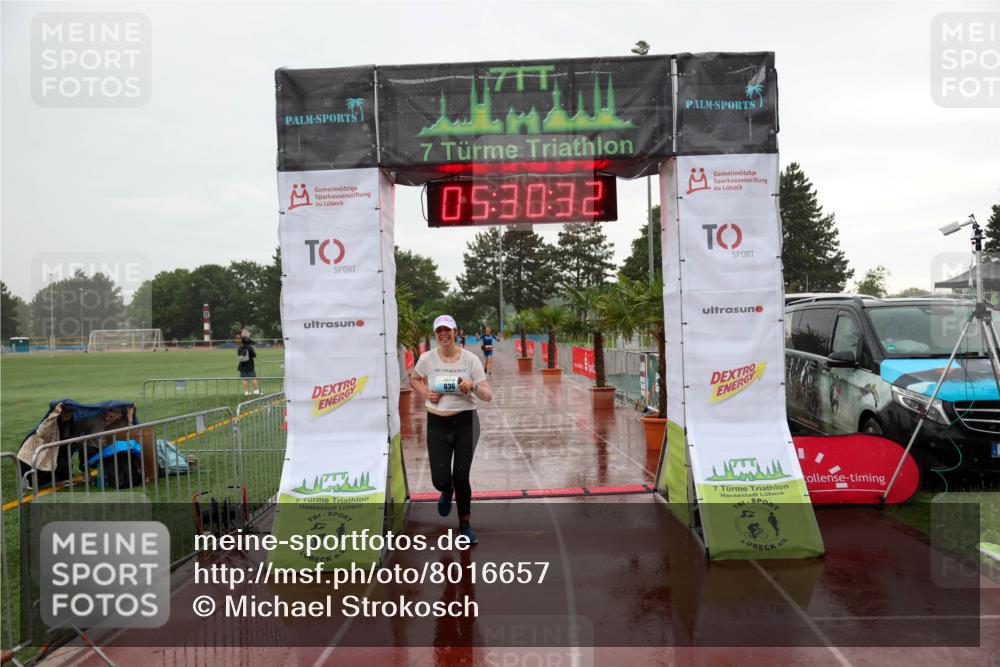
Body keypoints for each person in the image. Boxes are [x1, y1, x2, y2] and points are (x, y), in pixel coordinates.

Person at [410, 315, 492, 544]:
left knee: (461, 477)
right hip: (437, 423)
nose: (443, 334)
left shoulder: (470, 360)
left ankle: (465, 524)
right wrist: (426, 393)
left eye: (448, 330)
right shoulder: (427, 358)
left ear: (455, 331)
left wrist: (473, 386)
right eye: (439, 331)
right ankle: (446, 491)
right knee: (440, 479)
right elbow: (414, 379)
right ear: (435, 334)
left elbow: (488, 395)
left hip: (466, 423)